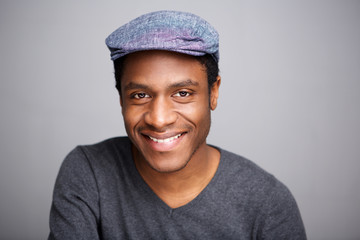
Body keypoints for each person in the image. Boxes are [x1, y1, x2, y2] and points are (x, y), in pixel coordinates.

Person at [48, 10, 307, 239]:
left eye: (182, 93)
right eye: (140, 95)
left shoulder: (266, 202)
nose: (159, 119)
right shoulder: (90, 172)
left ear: (213, 92)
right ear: (121, 100)